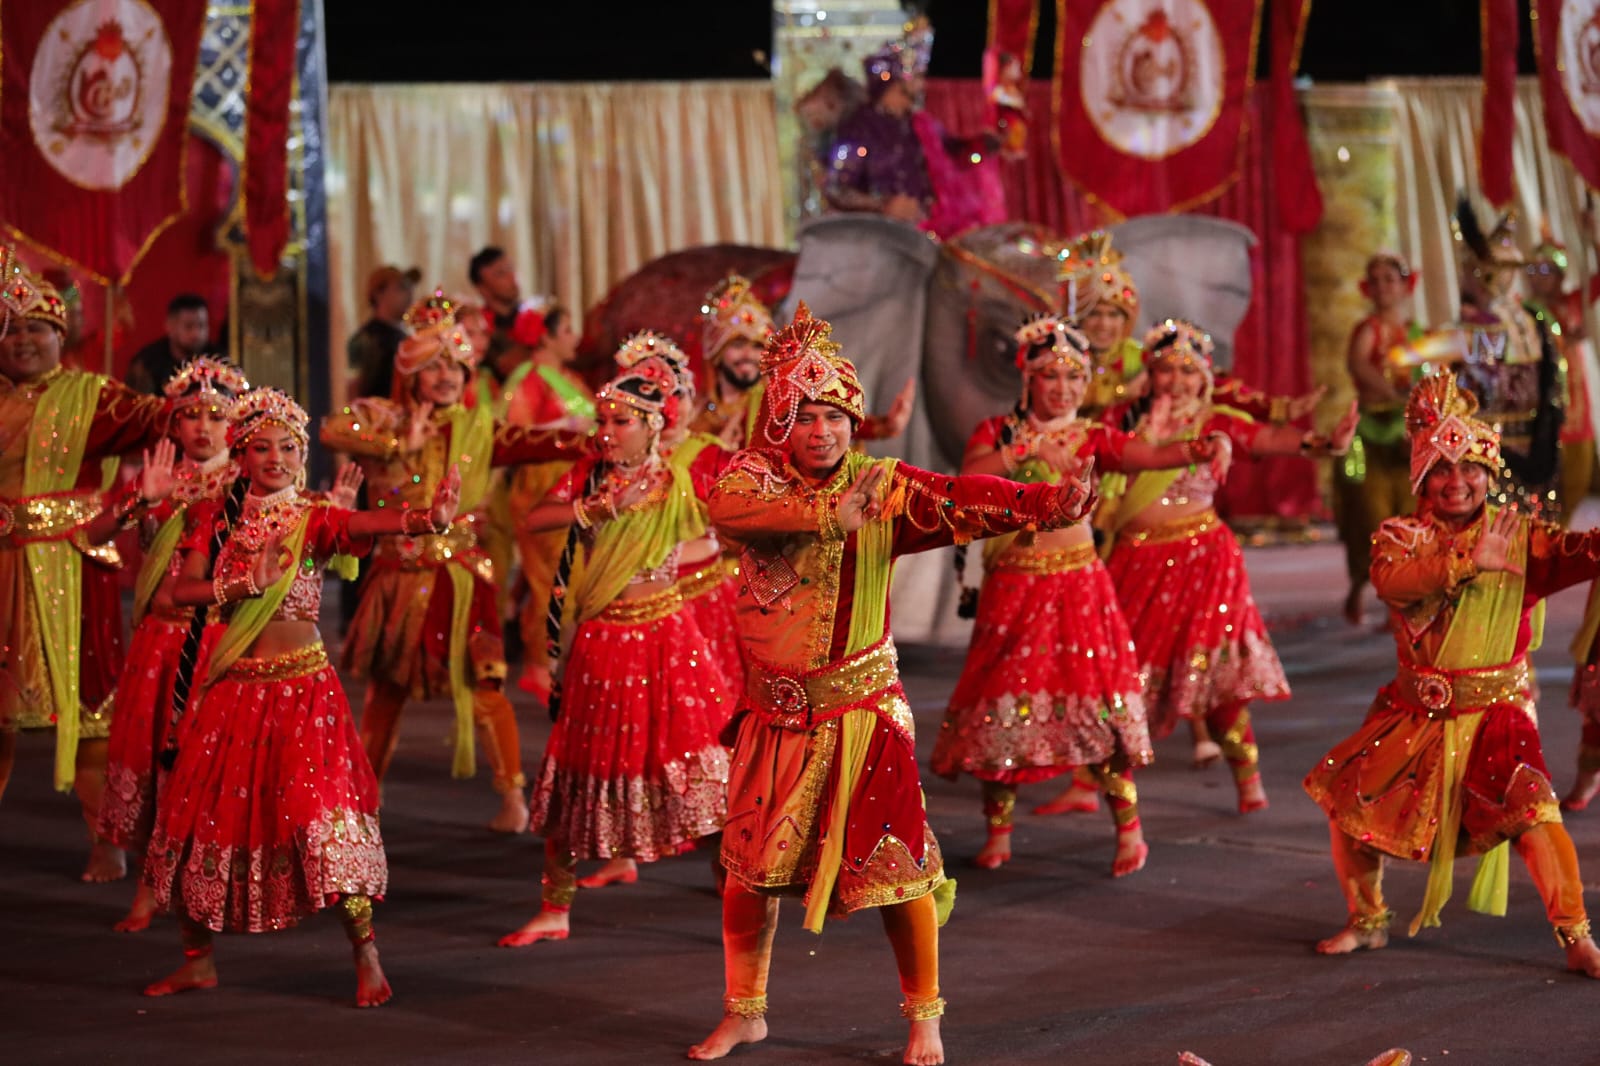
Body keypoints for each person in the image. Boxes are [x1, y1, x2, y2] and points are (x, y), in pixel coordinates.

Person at [687, 303, 1097, 1066]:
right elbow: (729, 508)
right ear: (779, 422)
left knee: (898, 872)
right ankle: (744, 1012)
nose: (823, 431)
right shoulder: (750, 476)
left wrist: (1043, 502)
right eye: (805, 416)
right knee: (745, 873)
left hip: (860, 716)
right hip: (772, 722)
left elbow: (959, 495)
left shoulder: (880, 487)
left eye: (836, 415)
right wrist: (822, 514)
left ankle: (924, 1020)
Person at [140, 387, 465, 1006]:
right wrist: (241, 582)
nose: (275, 458)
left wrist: (428, 519)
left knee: (323, 818)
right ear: (240, 455)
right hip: (233, 689)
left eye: (287, 447)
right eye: (260, 447)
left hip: (303, 691)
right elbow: (178, 593)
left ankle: (365, 952)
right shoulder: (214, 517)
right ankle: (196, 960)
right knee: (198, 823)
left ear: (302, 453)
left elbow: (367, 522)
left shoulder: (313, 515)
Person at [1304, 374, 1600, 978]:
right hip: (1416, 711)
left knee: (1534, 812)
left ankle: (1575, 937)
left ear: (1489, 475)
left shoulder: (1522, 538)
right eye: (1442, 469)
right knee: (1349, 809)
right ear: (1421, 478)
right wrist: (1467, 562)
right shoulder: (1400, 538)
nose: (1457, 482)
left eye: (1470, 469)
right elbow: (1393, 584)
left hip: (1497, 714)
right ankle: (1368, 922)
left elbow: (1581, 552)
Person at [931, 315, 1224, 877]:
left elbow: (1146, 456)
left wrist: (1205, 445)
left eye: (1073, 378)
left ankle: (1130, 832)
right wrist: (1027, 450)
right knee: (1003, 706)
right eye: (1050, 377)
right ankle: (999, 833)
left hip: (1079, 585)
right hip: (1014, 585)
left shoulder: (1091, 436)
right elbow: (968, 480)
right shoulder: (997, 433)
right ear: (1028, 382)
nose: (1062, 388)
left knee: (1099, 708)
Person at [321, 291, 586, 832]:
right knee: (385, 694)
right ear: (411, 371)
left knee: (486, 686)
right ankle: (364, 799)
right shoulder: (379, 416)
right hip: (397, 578)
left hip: (460, 578)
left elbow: (537, 442)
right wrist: (398, 440)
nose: (446, 375)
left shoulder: (479, 429)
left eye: (457, 365)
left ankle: (513, 799)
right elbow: (331, 430)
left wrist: (598, 441)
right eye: (434, 364)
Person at [499, 351, 730, 947]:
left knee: (705, 770)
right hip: (604, 636)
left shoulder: (682, 477)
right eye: (603, 420)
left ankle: (736, 890)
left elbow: (734, 518)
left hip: (667, 634)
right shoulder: (593, 474)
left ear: (656, 424)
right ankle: (555, 907)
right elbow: (535, 519)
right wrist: (599, 507)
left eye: (620, 421)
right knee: (577, 768)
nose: (605, 431)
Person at [1096, 320, 1357, 812]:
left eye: (1188, 372)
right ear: (1150, 375)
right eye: (1166, 370)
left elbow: (1271, 440)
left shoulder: (1217, 423)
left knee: (1218, 683)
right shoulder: (1122, 421)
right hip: (1136, 559)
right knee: (1123, 680)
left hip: (1205, 558)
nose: (1177, 381)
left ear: (1205, 379)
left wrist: (1325, 444)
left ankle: (1247, 778)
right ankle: (1123, 816)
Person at [0, 250, 168, 882]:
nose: (22, 340)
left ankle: (109, 838)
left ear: (60, 336)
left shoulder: (91, 397)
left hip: (73, 573)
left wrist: (206, 405)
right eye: (10, 328)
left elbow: (163, 421)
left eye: (36, 328)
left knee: (95, 712)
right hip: (1, 570)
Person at [97, 358, 250, 932]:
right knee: (148, 760)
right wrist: (141, 498)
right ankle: (147, 886)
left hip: (215, 641)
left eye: (216, 415)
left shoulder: (251, 481)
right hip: (159, 643)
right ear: (173, 424)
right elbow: (93, 536)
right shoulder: (156, 476)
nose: (204, 427)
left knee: (201, 767)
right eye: (191, 417)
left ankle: (208, 886)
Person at [690, 274, 917, 450]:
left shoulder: (776, 403)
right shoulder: (692, 411)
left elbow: (825, 416)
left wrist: (884, 426)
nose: (749, 355)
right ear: (716, 351)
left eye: (758, 346)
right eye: (738, 345)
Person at [824, 18, 1002, 239]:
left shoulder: (922, 125)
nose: (921, 85)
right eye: (917, 77)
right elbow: (837, 189)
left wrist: (983, 146)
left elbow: (954, 158)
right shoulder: (860, 128)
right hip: (877, 244)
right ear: (896, 82)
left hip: (925, 240)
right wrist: (884, 206)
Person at [504, 303, 596, 702]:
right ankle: (542, 666)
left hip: (577, 483)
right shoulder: (530, 380)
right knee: (551, 579)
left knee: (576, 577)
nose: (575, 337)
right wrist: (563, 433)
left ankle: (563, 663)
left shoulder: (569, 378)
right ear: (545, 336)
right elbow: (513, 433)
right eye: (567, 329)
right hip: (541, 485)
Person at [1335, 253, 1423, 624]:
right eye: (1377, 280)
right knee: (1370, 519)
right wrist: (1391, 393)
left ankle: (1399, 598)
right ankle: (1360, 586)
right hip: (1369, 436)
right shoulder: (1368, 329)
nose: (1384, 286)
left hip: (1404, 440)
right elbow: (1357, 365)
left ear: (1406, 286)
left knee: (1409, 519)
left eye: (1391, 279)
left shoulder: (1417, 334)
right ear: (1367, 289)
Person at [1522, 229, 1598, 522]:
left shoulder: (1573, 304)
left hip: (1577, 409)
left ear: (1559, 274)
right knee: (1545, 493)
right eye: (1532, 269)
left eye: (1545, 269)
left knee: (1578, 483)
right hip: (1544, 413)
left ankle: (1560, 546)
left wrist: (1592, 235)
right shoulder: (1524, 311)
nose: (1537, 276)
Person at [348, 264, 419, 401]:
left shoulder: (404, 338)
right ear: (378, 294)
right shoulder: (366, 340)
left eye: (410, 288)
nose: (410, 294)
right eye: (401, 288)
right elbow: (354, 389)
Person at [125, 294, 213, 397]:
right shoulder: (146, 364)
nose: (196, 333)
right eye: (188, 326)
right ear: (170, 326)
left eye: (201, 325)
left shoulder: (217, 360)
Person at [469, 246, 529, 387]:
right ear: (482, 288)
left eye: (511, 269)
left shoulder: (538, 319)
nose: (512, 277)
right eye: (501, 274)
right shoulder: (476, 328)